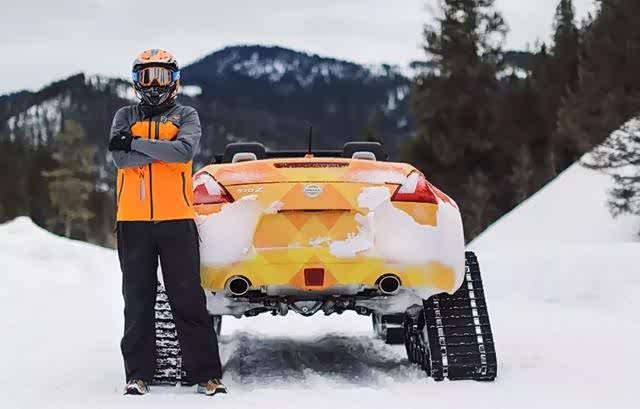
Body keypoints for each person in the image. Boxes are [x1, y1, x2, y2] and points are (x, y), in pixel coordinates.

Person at [108, 49, 225, 396]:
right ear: (136, 81)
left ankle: (206, 375)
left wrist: (136, 143)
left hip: (177, 220)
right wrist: (162, 149)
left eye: (161, 76)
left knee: (187, 298)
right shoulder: (124, 115)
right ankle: (138, 375)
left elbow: (183, 152)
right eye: (147, 77)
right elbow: (121, 159)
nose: (154, 85)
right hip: (133, 221)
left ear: (174, 81)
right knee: (137, 299)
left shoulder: (186, 114)